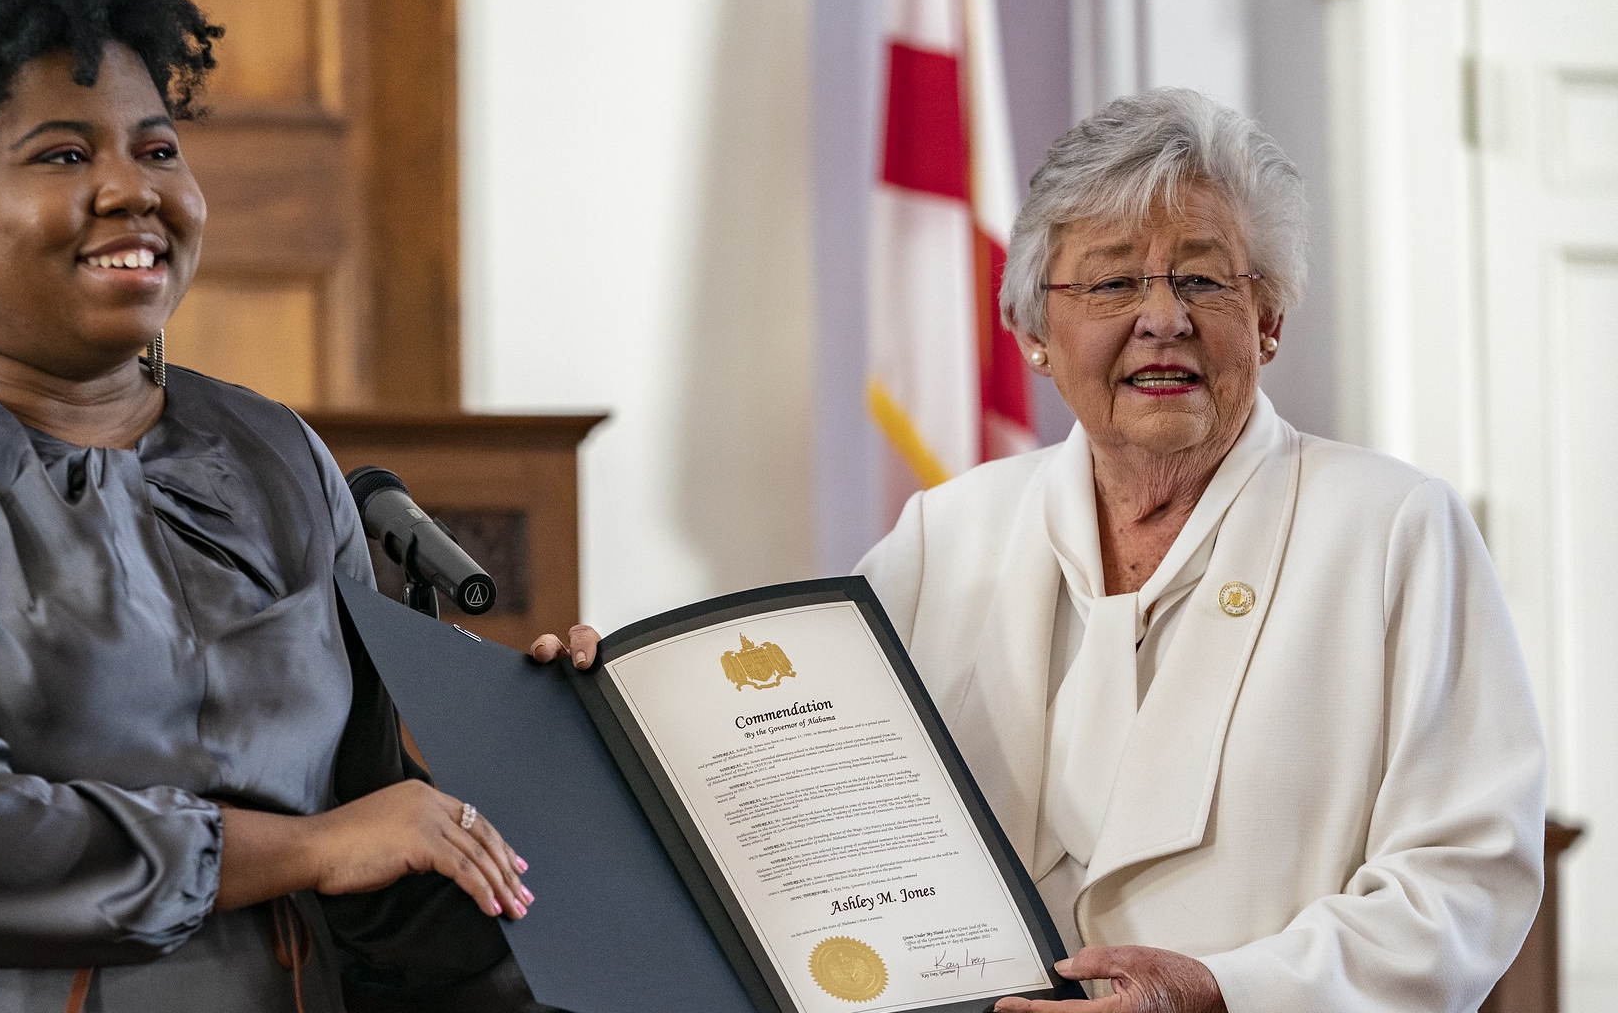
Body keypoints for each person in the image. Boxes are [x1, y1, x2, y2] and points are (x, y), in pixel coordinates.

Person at [536, 88, 1545, 1013]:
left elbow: (1463, 879)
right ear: (1033, 331)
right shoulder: (945, 535)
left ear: (1267, 319)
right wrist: (613, 710)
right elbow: (794, 776)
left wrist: (1223, 993)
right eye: (1112, 283)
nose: (1163, 319)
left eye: (1202, 278)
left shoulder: (1392, 530)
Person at [0, 0, 543, 1013]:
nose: (135, 190)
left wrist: (580, 778)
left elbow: (382, 867)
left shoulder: (276, 454)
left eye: (157, 149)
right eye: (64, 154)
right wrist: (304, 852)